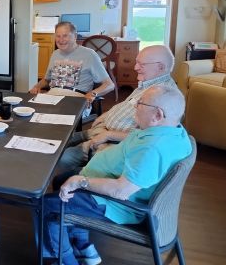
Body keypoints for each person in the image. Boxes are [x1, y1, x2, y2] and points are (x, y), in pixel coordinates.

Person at [42, 85, 192, 265]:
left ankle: (65, 260)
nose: (135, 106)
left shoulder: (151, 150)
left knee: (47, 207)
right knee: (61, 181)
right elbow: (137, 141)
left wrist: (81, 181)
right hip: (113, 189)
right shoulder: (174, 132)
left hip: (115, 203)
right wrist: (110, 135)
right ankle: (83, 247)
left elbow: (121, 191)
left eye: (140, 103)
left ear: (157, 115)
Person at [57, 44, 177, 174]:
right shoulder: (148, 83)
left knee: (64, 158)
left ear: (160, 67)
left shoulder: (163, 96)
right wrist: (106, 116)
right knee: (60, 140)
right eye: (137, 63)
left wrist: (108, 134)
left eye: (142, 65)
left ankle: (73, 181)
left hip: (113, 142)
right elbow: (127, 105)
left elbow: (148, 138)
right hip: (102, 130)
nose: (136, 68)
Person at [29, 22, 114, 116]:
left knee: (54, 118)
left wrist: (93, 93)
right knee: (28, 111)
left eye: (65, 36)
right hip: (52, 96)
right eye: (58, 36)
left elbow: (109, 84)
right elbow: (46, 80)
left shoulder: (89, 54)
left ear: (75, 36)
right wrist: (37, 86)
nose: (61, 40)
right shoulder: (55, 54)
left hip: (76, 98)